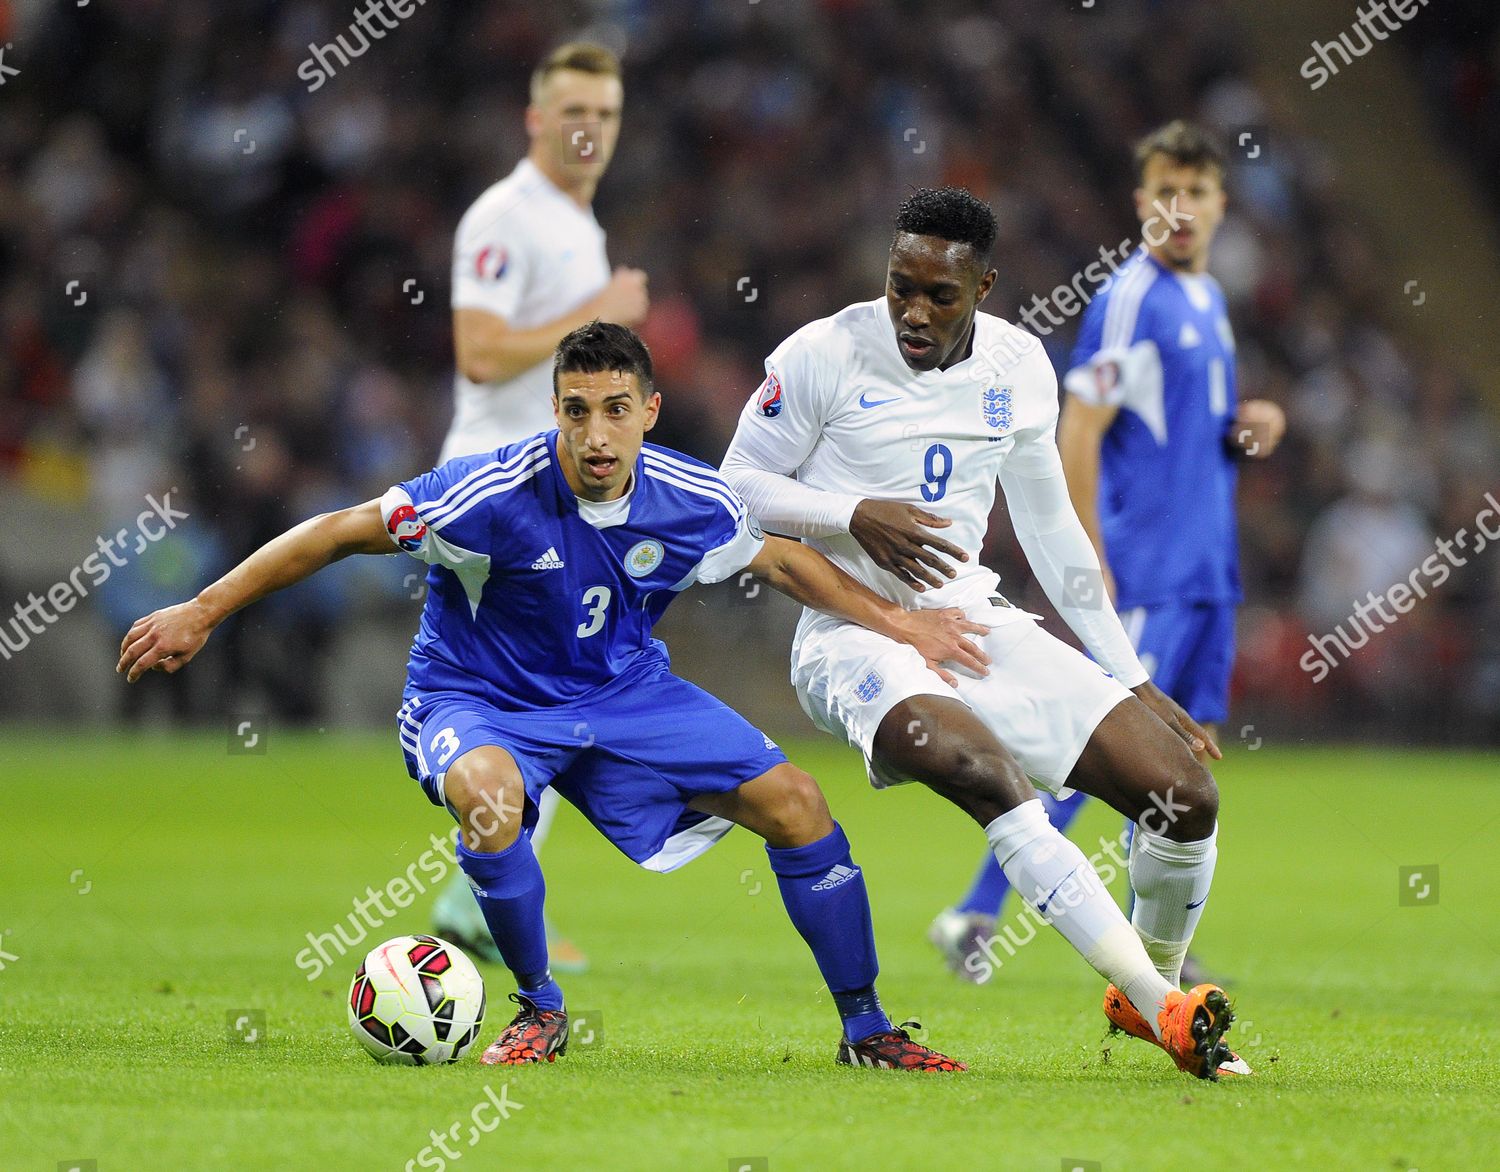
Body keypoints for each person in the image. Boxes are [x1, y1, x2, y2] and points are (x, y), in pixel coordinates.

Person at [118, 322, 985, 1071]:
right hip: (477, 698)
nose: (596, 435)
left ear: (648, 411)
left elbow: (785, 561)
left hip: (621, 693)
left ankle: (867, 1030)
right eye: (576, 411)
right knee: (492, 801)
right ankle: (539, 1010)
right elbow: (340, 531)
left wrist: (903, 627)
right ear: (556, 413)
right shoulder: (487, 496)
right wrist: (202, 609)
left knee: (798, 803)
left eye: (615, 410)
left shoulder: (691, 500)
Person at [720, 187, 1251, 1079]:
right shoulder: (821, 354)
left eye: (941, 295)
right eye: (900, 288)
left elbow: (1051, 532)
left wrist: (1127, 677)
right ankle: (1170, 1011)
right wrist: (852, 511)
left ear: (985, 287)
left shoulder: (1018, 367)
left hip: (973, 620)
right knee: (988, 774)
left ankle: (1146, 990)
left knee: (1185, 798)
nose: (914, 313)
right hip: (854, 639)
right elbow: (734, 489)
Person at [930, 122, 1284, 990]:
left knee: (1181, 760)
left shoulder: (1207, 302)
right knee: (1104, 745)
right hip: (1148, 570)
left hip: (1207, 574)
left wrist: (1247, 429)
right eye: (1166, 191)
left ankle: (1151, 934)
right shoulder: (1133, 297)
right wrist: (1092, 561)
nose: (1182, 209)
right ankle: (976, 913)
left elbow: (1186, 433)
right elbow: (1080, 426)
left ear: (1220, 205)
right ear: (1140, 202)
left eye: (1197, 193)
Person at [434, 41, 653, 968]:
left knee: (561, 693)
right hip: (496, 492)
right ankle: (476, 896)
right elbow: (479, 353)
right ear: (534, 118)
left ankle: (475, 896)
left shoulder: (577, 221)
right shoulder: (504, 216)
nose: (588, 129)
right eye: (572, 111)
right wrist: (600, 306)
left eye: (603, 113)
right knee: (567, 692)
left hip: (544, 497)